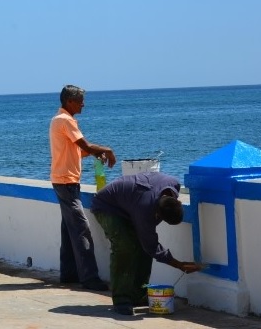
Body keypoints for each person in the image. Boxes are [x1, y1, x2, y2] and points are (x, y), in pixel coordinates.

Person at [91, 172, 203, 315]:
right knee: (125, 248)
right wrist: (179, 264)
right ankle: (121, 300)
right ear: (157, 213)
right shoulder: (145, 209)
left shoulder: (174, 183)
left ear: (178, 201)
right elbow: (152, 246)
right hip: (107, 206)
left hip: (130, 203)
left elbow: (148, 245)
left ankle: (138, 295)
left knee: (143, 248)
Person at [49, 84, 116, 290]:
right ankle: (90, 278)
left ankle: (69, 274)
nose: (83, 105)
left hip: (63, 181)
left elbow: (77, 151)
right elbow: (85, 145)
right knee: (81, 229)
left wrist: (96, 153)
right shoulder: (65, 120)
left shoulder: (59, 119)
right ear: (69, 101)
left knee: (69, 230)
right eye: (80, 101)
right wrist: (107, 149)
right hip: (66, 182)